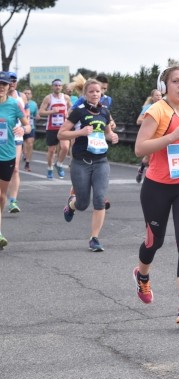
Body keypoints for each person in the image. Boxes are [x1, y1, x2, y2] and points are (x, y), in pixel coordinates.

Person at [134, 65, 179, 324]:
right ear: (165, 85)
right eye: (175, 81)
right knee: (155, 242)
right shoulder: (157, 111)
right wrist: (173, 136)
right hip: (157, 186)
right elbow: (139, 148)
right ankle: (142, 276)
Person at [58, 78, 119, 251]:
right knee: (83, 204)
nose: (94, 94)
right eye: (91, 91)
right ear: (85, 94)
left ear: (101, 94)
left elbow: (107, 133)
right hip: (81, 162)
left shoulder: (105, 112)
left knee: (99, 199)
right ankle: (71, 205)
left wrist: (112, 137)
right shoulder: (78, 112)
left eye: (97, 91)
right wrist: (81, 132)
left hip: (101, 161)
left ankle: (94, 238)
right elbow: (61, 134)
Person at [0, 71, 30, 249]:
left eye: (4, 84)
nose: (1, 87)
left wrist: (22, 130)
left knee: (1, 196)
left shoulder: (13, 105)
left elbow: (27, 124)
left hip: (6, 155)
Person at [6, 72, 30, 213]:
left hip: (16, 137)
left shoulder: (22, 97)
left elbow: (26, 119)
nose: (12, 83)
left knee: (15, 169)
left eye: (15, 80)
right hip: (2, 138)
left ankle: (13, 201)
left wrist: (23, 128)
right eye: (9, 80)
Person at [39, 78, 72, 180]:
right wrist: (52, 111)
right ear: (52, 86)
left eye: (59, 85)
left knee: (65, 147)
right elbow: (41, 112)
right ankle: (49, 168)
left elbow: (72, 109)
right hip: (51, 127)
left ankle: (59, 164)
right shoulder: (48, 98)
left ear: (62, 87)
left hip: (63, 127)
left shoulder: (66, 98)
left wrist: (68, 113)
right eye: (55, 85)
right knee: (52, 150)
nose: (57, 87)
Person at [135, 89, 163, 183]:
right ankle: (142, 171)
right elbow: (139, 121)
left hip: (160, 135)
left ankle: (156, 178)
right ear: (152, 97)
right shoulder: (148, 107)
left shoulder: (165, 107)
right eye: (157, 95)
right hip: (150, 135)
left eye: (160, 95)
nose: (159, 97)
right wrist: (153, 122)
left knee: (158, 156)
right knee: (149, 158)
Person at [22, 88, 39, 173]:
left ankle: (27, 163)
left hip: (31, 126)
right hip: (20, 127)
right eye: (25, 93)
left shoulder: (34, 104)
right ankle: (24, 155)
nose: (27, 95)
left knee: (30, 143)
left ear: (31, 95)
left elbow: (37, 115)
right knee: (24, 143)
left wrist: (36, 116)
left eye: (29, 93)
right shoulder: (19, 102)